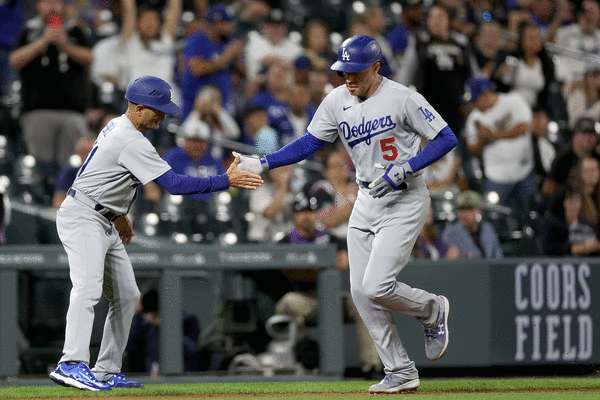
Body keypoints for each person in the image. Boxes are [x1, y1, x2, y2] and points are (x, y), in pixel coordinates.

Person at [235, 35, 457, 394]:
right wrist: (262, 161)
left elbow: (446, 138)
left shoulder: (403, 97)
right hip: (366, 199)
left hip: (404, 198)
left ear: (376, 68)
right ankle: (400, 370)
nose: (348, 78)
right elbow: (309, 143)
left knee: (376, 286)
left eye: (355, 71)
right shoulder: (337, 100)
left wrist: (408, 166)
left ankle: (431, 309)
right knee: (360, 291)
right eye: (343, 71)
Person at [48, 75, 262, 391]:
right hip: (84, 217)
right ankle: (70, 363)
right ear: (137, 107)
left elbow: (101, 174)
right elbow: (173, 185)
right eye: (157, 109)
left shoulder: (121, 127)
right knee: (88, 287)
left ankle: (105, 370)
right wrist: (224, 180)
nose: (163, 116)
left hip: (102, 216)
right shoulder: (130, 138)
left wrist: (117, 214)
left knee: (129, 295)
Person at [274, 191, 382, 379]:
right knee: (288, 302)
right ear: (294, 215)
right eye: (302, 211)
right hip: (303, 298)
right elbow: (291, 273)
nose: (307, 215)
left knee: (363, 302)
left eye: (311, 210)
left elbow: (341, 263)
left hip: (329, 296)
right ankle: (306, 358)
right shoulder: (286, 241)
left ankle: (371, 366)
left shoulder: (330, 238)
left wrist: (310, 267)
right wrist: (320, 267)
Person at [9, 0, 94, 198]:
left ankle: (65, 205)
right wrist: (43, 41)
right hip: (38, 111)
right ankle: (39, 205)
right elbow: (15, 60)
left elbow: (89, 58)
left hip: (72, 112)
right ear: (39, 5)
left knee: (71, 164)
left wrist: (64, 44)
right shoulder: (29, 30)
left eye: (57, 2)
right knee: (39, 166)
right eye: (48, 2)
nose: (53, 7)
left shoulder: (75, 31)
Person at [464, 77, 538, 216]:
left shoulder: (513, 100)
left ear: (486, 94)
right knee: (492, 217)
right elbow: (472, 149)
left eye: (475, 100)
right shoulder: (474, 118)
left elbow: (525, 127)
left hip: (524, 171)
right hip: (496, 176)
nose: (473, 105)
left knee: (532, 213)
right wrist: (481, 140)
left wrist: (493, 136)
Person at [180, 4, 244, 121]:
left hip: (220, 107)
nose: (232, 27)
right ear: (216, 24)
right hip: (195, 107)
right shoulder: (197, 40)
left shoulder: (228, 42)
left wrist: (235, 57)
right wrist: (227, 56)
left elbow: (244, 73)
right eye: (227, 23)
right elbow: (197, 69)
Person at [441, 190, 503, 259]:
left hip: (490, 269)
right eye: (461, 209)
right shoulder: (450, 233)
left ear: (480, 211)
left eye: (469, 209)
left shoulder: (487, 229)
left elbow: (498, 257)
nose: (464, 214)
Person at [543, 184, 600, 256]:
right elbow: (550, 249)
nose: (574, 204)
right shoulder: (554, 224)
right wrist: (579, 248)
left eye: (577, 200)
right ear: (563, 202)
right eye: (571, 200)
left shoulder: (587, 225)